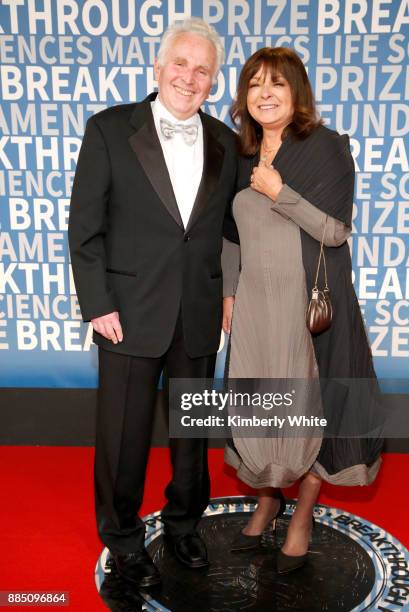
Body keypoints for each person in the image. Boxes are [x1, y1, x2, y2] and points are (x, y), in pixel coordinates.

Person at [68, 18, 237, 587]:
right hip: (127, 314)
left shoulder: (227, 142)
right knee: (123, 437)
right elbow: (84, 229)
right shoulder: (110, 130)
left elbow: (233, 230)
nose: (190, 78)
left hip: (198, 312)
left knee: (192, 435)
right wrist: (97, 304)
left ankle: (185, 524)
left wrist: (231, 293)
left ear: (213, 83)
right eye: (181, 64)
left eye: (203, 70)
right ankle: (122, 538)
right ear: (158, 68)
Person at [222, 47, 382, 574]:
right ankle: (269, 497)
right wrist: (228, 293)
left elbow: (334, 231)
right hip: (256, 311)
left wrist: (280, 192)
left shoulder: (326, 149)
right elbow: (230, 235)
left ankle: (302, 515)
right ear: (244, 97)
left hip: (310, 310)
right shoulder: (240, 153)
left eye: (278, 85)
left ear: (297, 94)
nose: (265, 94)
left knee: (316, 406)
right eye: (255, 84)